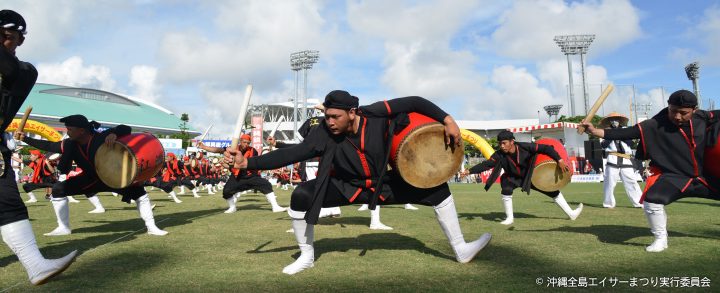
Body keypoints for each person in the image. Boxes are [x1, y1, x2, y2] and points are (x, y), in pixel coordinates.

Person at [226, 90, 491, 275]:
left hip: (381, 183)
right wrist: (247, 163)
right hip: (344, 185)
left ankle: (461, 249)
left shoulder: (376, 114)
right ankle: (307, 256)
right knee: (301, 196)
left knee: (438, 190)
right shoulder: (322, 133)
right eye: (327, 116)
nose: (329, 122)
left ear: (352, 113)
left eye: (334, 117)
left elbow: (414, 101)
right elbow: (293, 153)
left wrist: (448, 119)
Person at [582, 89, 720, 252]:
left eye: (683, 113)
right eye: (673, 111)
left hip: (704, 176)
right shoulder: (654, 124)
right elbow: (626, 132)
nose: (677, 116)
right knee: (652, 199)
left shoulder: (702, 117)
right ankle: (660, 239)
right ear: (668, 106)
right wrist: (594, 131)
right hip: (675, 177)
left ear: (694, 110)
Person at [0, 9, 77, 285]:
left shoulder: (23, 71)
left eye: (7, 37)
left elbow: (6, 67)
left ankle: (35, 265)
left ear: (20, 40)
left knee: (7, 204)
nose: (2, 41)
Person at [19, 114, 168, 236]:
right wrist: (25, 138)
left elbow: (125, 128)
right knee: (58, 189)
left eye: (70, 129)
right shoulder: (70, 143)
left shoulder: (101, 137)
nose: (67, 132)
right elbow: (49, 146)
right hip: (90, 179)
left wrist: (115, 133)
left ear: (82, 130)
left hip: (114, 177)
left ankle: (151, 227)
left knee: (141, 194)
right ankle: (63, 228)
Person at [461, 130, 582, 225]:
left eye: (504, 143)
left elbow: (547, 148)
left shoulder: (525, 146)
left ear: (512, 141)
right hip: (512, 177)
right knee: (506, 188)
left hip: (529, 176)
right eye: (500, 143)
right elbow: (486, 164)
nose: (501, 146)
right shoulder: (499, 154)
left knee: (552, 192)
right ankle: (509, 218)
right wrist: (469, 171)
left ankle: (571, 213)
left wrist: (559, 160)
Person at [199, 134, 286, 213]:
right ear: (240, 141)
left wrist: (231, 164)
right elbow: (218, 150)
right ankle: (232, 207)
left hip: (251, 175)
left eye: (248, 143)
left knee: (266, 185)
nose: (246, 144)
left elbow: (250, 163)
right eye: (244, 142)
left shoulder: (253, 151)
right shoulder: (233, 148)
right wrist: (204, 147)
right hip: (237, 176)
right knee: (226, 191)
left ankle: (275, 206)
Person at [598, 113, 642, 208]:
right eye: (612, 120)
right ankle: (608, 203)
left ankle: (639, 202)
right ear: (610, 122)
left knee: (631, 181)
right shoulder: (604, 132)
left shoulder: (627, 130)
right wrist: (612, 134)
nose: (614, 122)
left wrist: (619, 133)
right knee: (609, 182)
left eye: (616, 119)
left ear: (620, 121)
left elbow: (631, 143)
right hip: (612, 158)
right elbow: (603, 145)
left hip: (626, 158)